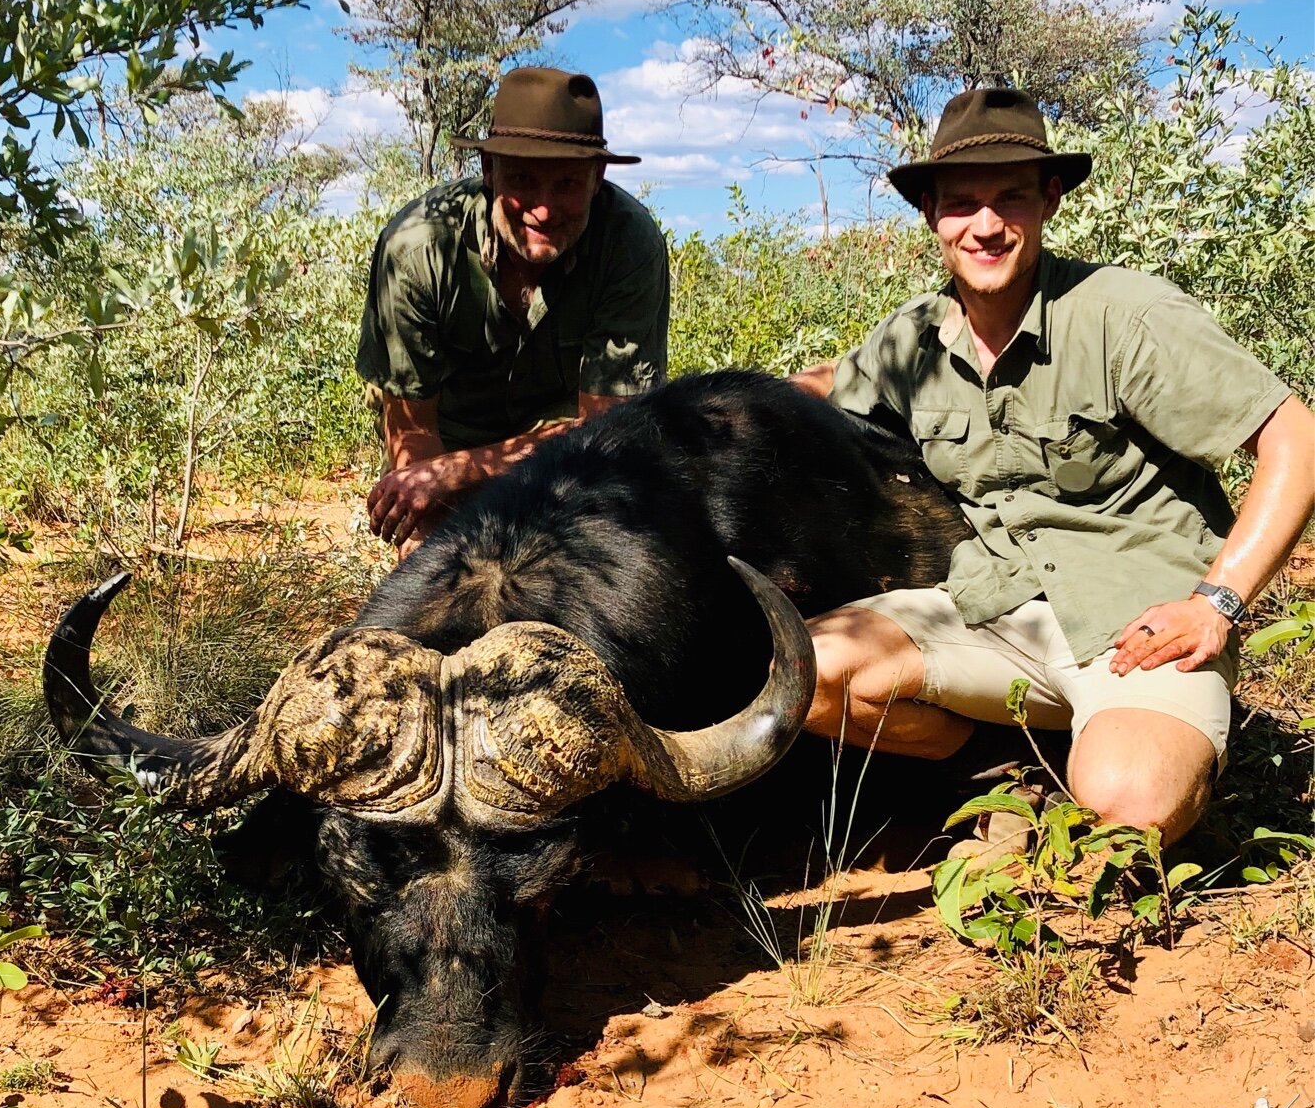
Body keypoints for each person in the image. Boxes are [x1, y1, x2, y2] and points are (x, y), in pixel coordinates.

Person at [792, 87, 1315, 850]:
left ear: (1049, 200)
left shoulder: (1123, 316)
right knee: (792, 670)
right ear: (930, 214)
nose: (985, 225)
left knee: (1125, 809)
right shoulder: (912, 337)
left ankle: (1146, 743)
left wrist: (1216, 603)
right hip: (988, 607)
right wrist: (694, 403)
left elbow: (1294, 440)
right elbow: (829, 388)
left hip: (1134, 621)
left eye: (1010, 198)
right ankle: (993, 768)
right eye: (961, 203)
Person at [356, 66, 669, 553]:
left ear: (597, 178)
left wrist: (466, 471)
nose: (543, 210)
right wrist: (440, 494)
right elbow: (414, 438)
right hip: (444, 449)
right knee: (437, 579)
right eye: (522, 180)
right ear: (488, 170)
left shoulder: (629, 245)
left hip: (570, 460)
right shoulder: (417, 248)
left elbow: (611, 438)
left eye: (566, 184)